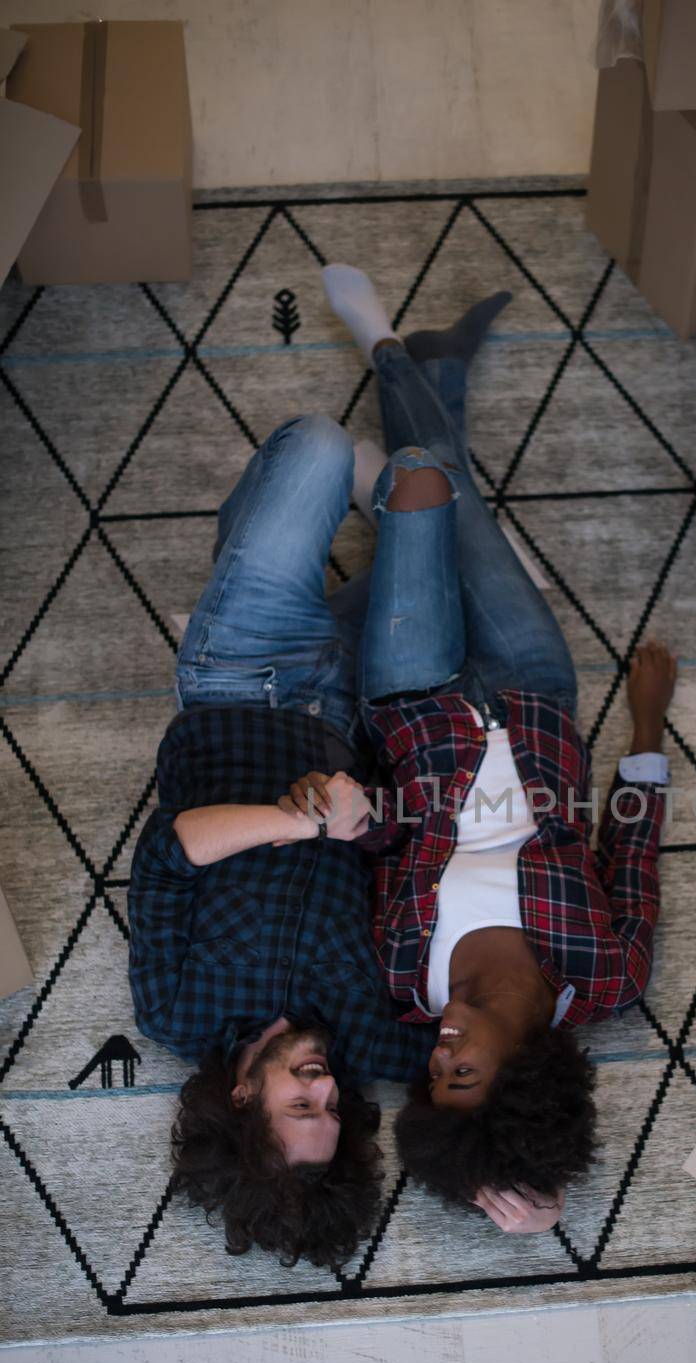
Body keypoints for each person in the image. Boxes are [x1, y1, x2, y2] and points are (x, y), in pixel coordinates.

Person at [282, 266, 677, 1236]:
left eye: (435, 1072)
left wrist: (347, 812)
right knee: (447, 498)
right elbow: (633, 849)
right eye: (464, 1069)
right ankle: (426, 383)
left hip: (413, 700)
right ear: (525, 1075)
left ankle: (387, 355)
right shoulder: (606, 977)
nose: (443, 1045)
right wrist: (647, 725)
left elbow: (375, 848)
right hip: (536, 690)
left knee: (425, 490)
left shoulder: (407, 984)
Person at [127, 411, 433, 1270]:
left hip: (241, 680)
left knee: (321, 450)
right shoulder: (371, 1045)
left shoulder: (176, 1011)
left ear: (240, 1096)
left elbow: (164, 856)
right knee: (430, 497)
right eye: (333, 1112)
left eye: (302, 1107)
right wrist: (502, 1180)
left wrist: (298, 817)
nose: (327, 1088)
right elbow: (473, 1073)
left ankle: (252, 570)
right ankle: (291, 555)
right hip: (358, 708)